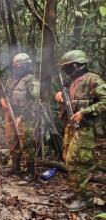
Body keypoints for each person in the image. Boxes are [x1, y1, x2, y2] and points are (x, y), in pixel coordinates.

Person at [54, 50, 106, 211]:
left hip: (86, 129)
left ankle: (85, 198)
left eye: (67, 67)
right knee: (67, 158)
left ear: (76, 65)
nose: (65, 71)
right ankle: (77, 191)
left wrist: (85, 112)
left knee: (78, 163)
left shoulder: (93, 79)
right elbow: (71, 103)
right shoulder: (73, 82)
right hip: (71, 127)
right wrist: (60, 97)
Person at [1, 53, 39, 182]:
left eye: (20, 66)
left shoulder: (32, 81)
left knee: (26, 144)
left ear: (27, 66)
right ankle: (15, 167)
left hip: (25, 118)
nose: (17, 68)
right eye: (15, 66)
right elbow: (5, 95)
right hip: (10, 115)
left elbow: (35, 102)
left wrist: (22, 116)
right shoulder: (10, 80)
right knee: (12, 142)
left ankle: (30, 171)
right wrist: (3, 101)